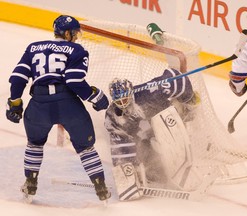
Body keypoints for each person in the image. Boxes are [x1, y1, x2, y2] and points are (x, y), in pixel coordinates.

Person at [6, 15, 111, 203]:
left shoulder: (33, 48)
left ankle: (30, 184)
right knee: (86, 148)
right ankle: (100, 188)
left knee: (35, 144)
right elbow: (74, 80)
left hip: (39, 105)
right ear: (68, 33)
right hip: (68, 104)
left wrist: (15, 103)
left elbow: (17, 79)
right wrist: (96, 96)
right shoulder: (76, 50)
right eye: (75, 33)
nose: (77, 37)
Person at [104, 68, 198, 201]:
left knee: (163, 137)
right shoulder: (113, 116)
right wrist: (129, 169)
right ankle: (156, 173)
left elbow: (175, 76)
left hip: (169, 116)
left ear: (131, 93)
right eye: (119, 101)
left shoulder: (149, 91)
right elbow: (120, 144)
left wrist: (188, 99)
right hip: (147, 130)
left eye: (125, 99)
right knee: (143, 147)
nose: (123, 104)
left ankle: (184, 166)